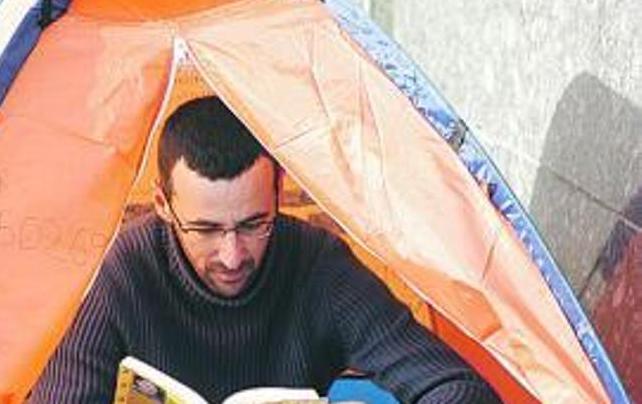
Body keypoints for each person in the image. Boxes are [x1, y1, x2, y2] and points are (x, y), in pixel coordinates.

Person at [29, 96, 501, 403]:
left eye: (254, 224)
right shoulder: (127, 274)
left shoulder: (318, 266)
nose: (233, 256)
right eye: (206, 229)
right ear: (163, 205)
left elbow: (458, 388)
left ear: (279, 189)